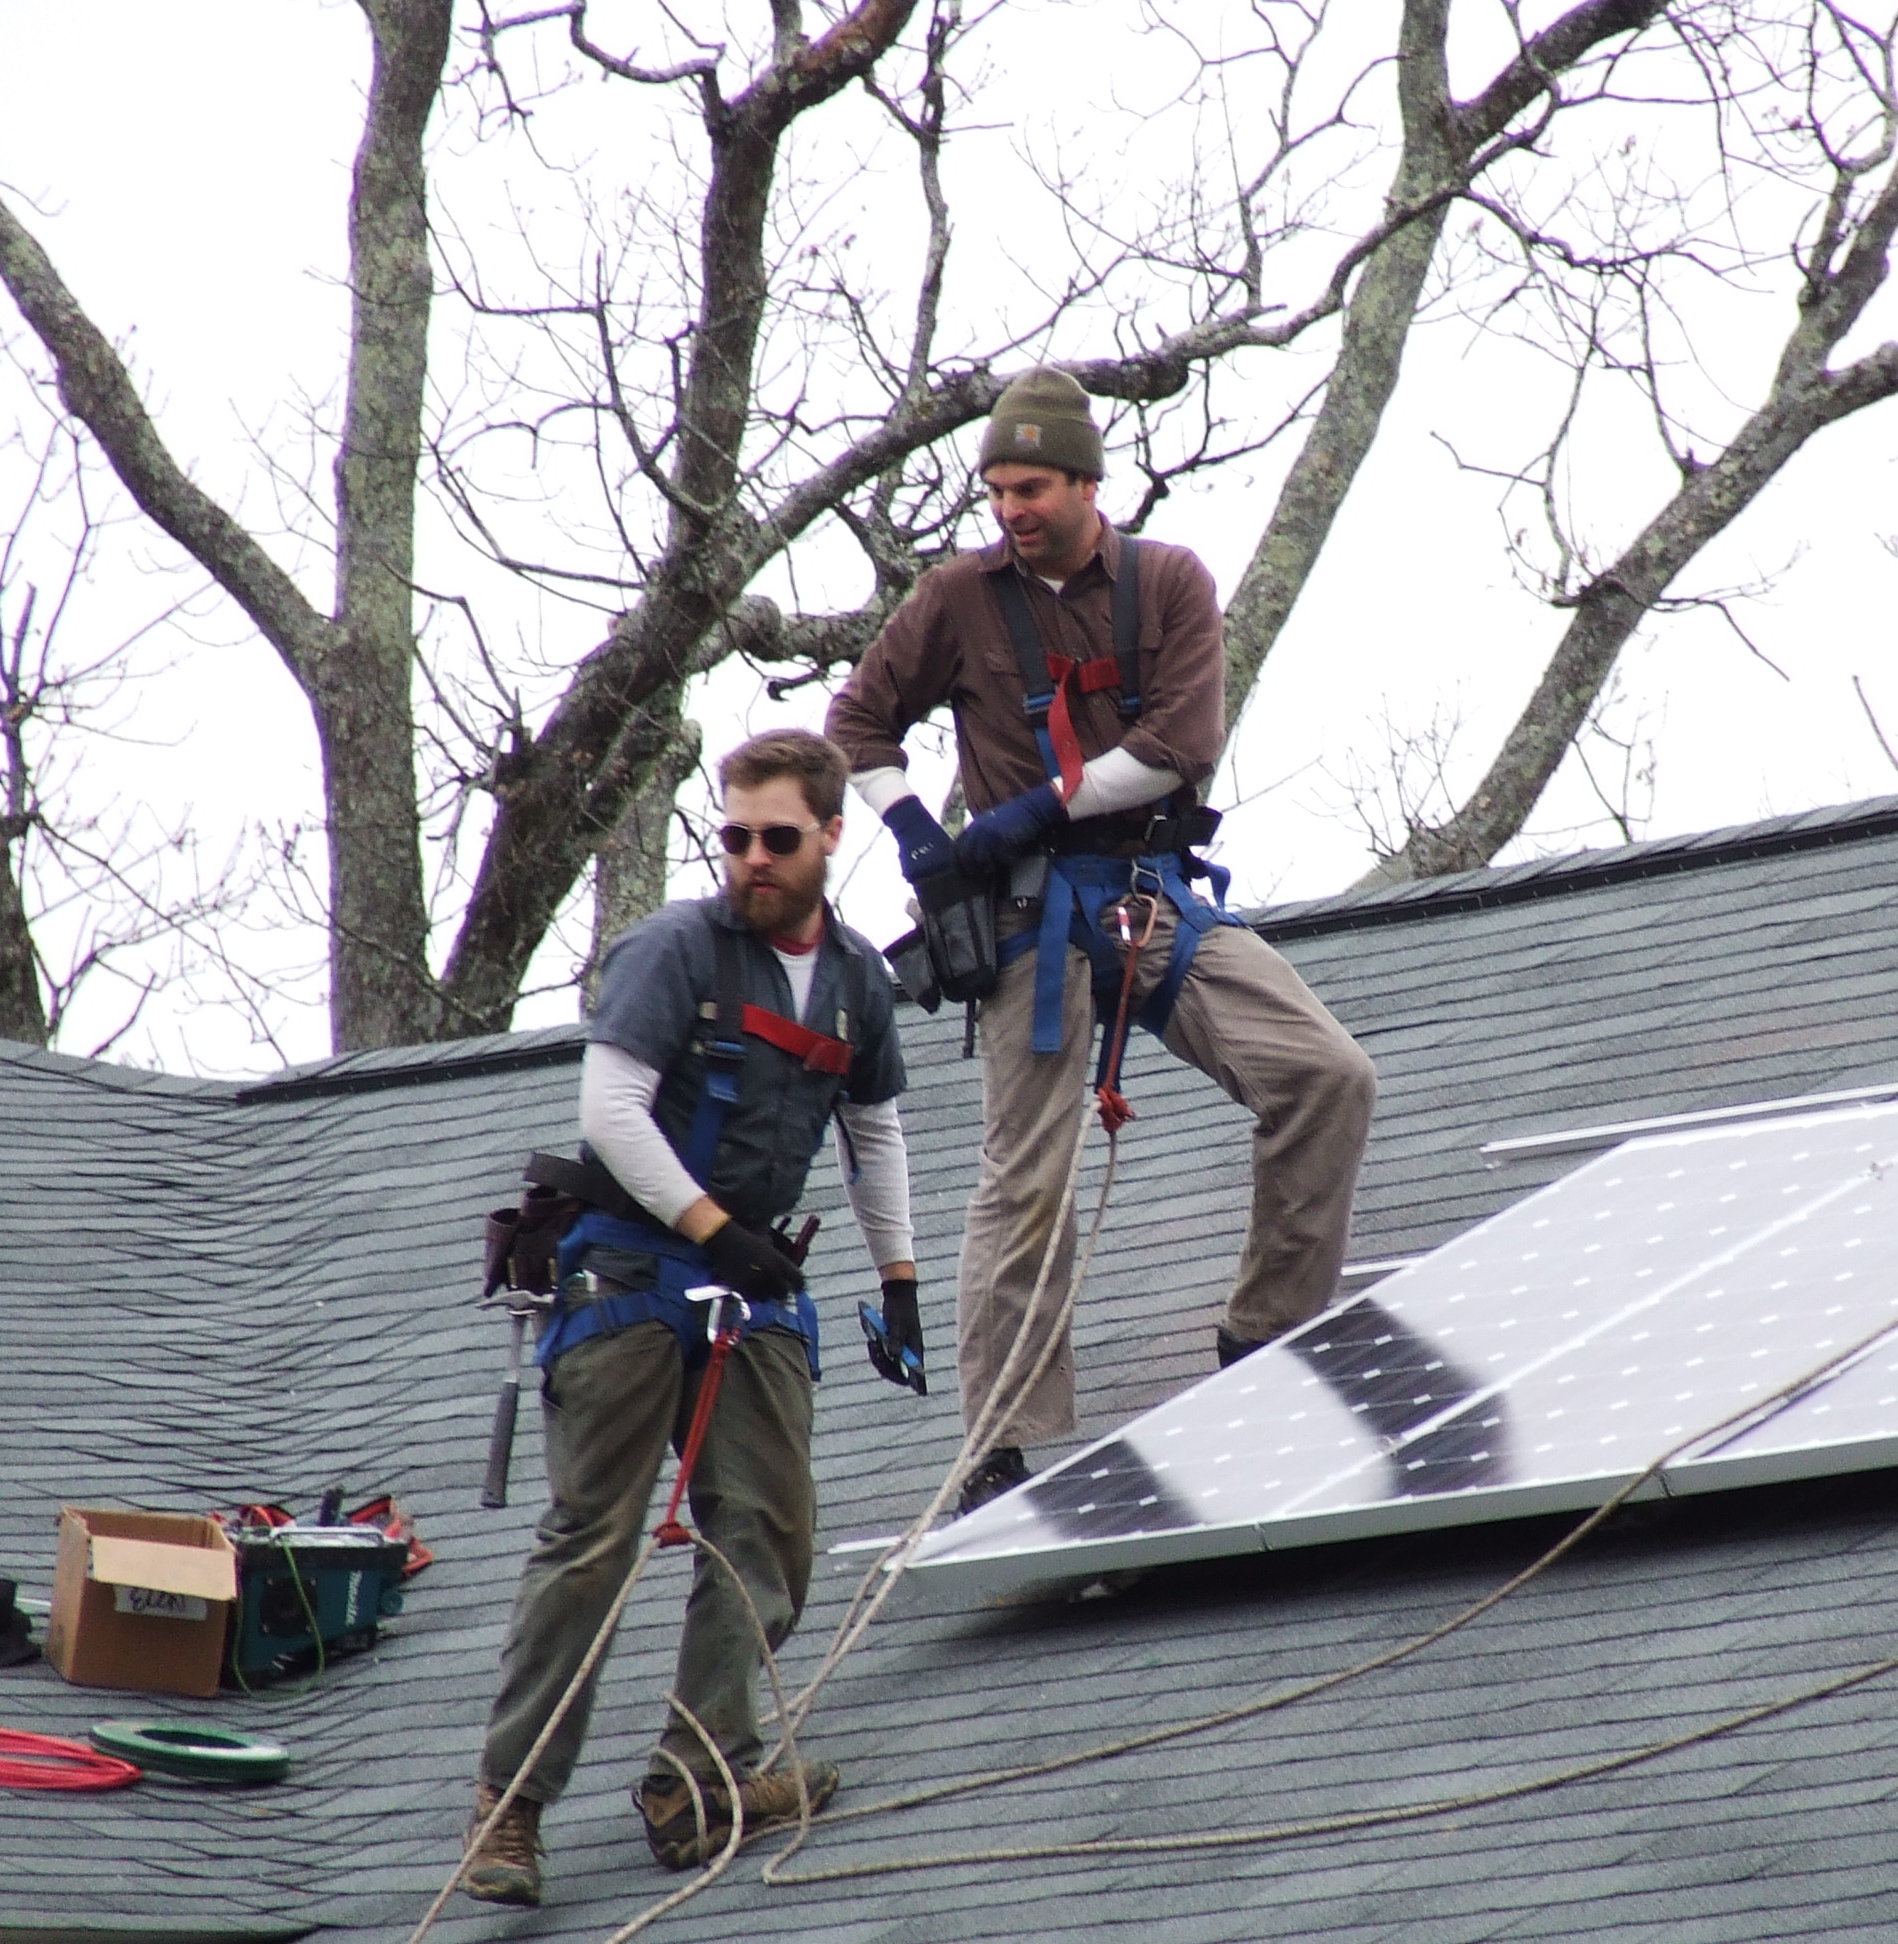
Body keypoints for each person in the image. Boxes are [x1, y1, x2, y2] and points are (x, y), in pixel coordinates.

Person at [826, 365, 1377, 1515]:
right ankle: (1001, 1443)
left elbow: (1183, 740)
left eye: (1030, 487)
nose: (1011, 509)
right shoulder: (958, 599)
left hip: (1147, 895)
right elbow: (857, 725)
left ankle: (1265, 1333)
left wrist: (1039, 806)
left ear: (1087, 483)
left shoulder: (1169, 583)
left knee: (1326, 1074)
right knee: (1027, 1172)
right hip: (1026, 918)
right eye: (997, 491)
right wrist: (922, 830)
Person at [460, 728, 926, 1909]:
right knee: (595, 1541)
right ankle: (508, 1811)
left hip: (753, 1282)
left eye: (779, 838)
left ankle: (698, 1779)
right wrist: (718, 1231)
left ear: (831, 836)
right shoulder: (676, 948)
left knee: (768, 1528)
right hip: (629, 1263)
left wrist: (902, 1279)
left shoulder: (862, 980)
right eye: (734, 837)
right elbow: (612, 1111)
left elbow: (873, 1135)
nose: (753, 858)